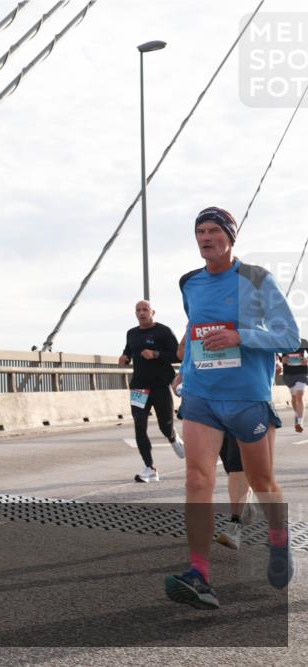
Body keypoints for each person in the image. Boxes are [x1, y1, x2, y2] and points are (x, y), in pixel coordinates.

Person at [165, 206, 300, 610]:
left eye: (213, 231)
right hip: (202, 395)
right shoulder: (189, 282)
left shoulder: (257, 279)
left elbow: (288, 336)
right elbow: (195, 328)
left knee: (262, 481)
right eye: (200, 232)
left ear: (230, 236)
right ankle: (199, 574)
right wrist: (184, 370)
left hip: (247, 397)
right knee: (197, 480)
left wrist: (241, 336)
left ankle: (279, 539)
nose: (205, 238)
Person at [173, 335, 256, 549]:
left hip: (241, 397)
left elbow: (277, 340)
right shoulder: (197, 321)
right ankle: (244, 501)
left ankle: (235, 525)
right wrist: (182, 373)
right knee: (225, 463)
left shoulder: (246, 319)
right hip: (205, 399)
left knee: (236, 463)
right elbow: (182, 352)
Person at [118, 300, 184, 482]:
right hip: (139, 386)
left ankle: (173, 437)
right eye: (138, 310)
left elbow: (178, 356)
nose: (141, 313)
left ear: (152, 312)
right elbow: (128, 351)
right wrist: (125, 357)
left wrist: (155, 354)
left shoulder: (163, 331)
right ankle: (150, 468)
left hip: (160, 386)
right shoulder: (131, 333)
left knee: (165, 426)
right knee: (139, 425)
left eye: (145, 309)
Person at [277, 338, 307, 433]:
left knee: (300, 396)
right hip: (288, 374)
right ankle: (297, 415)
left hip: (302, 373)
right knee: (294, 398)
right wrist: (283, 360)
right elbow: (278, 358)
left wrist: (306, 360)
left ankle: (300, 422)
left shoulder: (303, 342)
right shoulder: (284, 342)